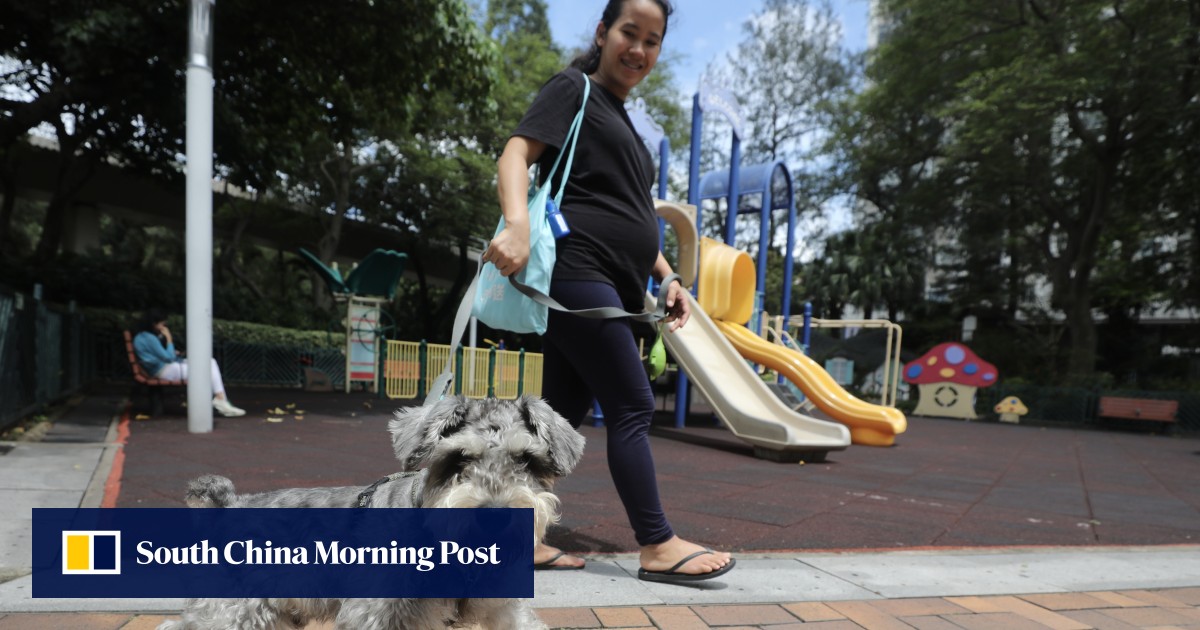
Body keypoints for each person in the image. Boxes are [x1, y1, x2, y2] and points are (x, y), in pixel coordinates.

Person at [482, 0, 735, 582]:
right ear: (602, 32)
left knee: (558, 420)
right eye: (629, 32)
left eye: (653, 40)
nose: (639, 49)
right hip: (578, 270)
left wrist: (667, 275)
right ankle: (657, 544)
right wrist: (517, 224)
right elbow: (516, 153)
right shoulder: (573, 88)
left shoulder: (625, 122)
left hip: (615, 284)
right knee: (633, 404)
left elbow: (631, 213)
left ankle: (510, 537)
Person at [132, 309, 246, 417]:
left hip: (162, 369)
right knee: (208, 366)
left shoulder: (142, 337)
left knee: (210, 362)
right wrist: (169, 339)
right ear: (153, 323)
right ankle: (220, 399)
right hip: (164, 370)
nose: (164, 327)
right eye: (162, 324)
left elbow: (161, 355)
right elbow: (169, 357)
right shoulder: (149, 338)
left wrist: (172, 351)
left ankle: (220, 398)